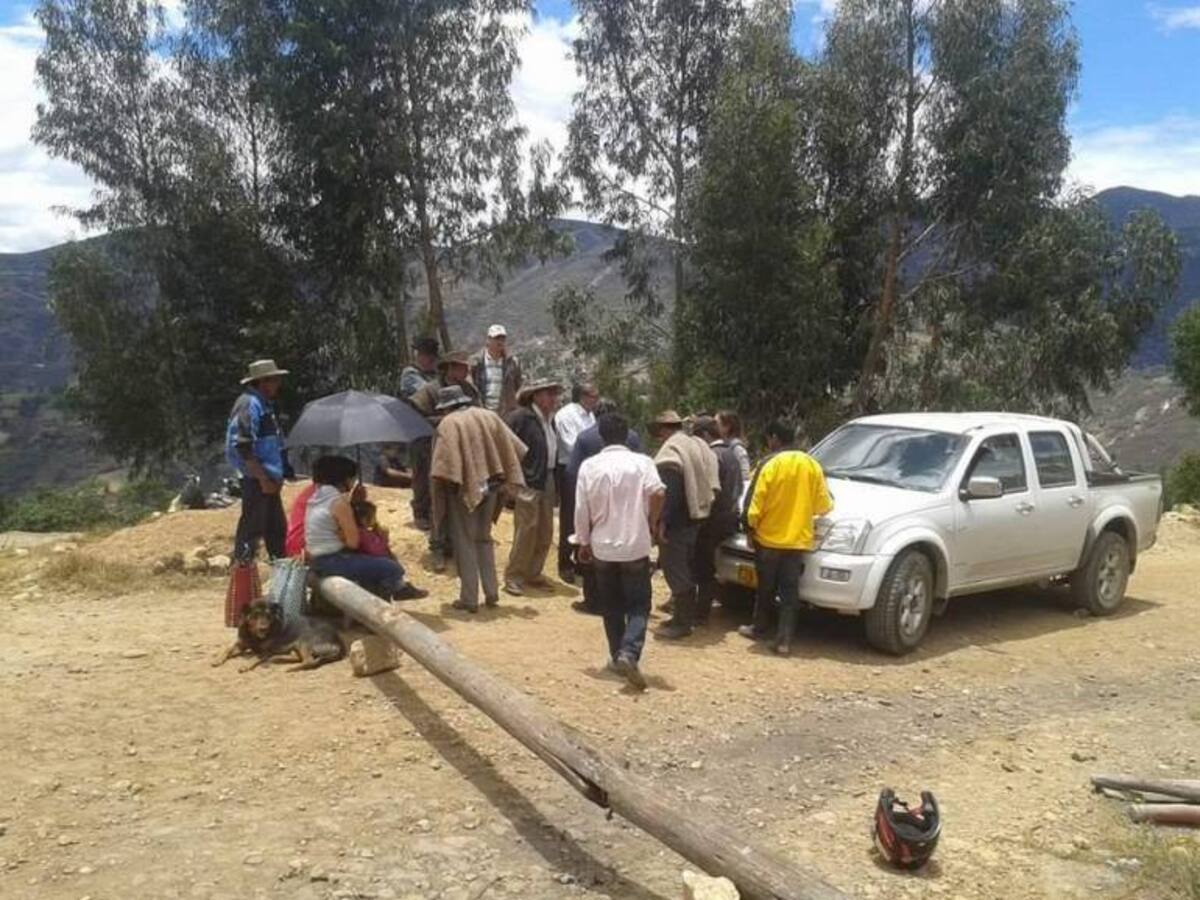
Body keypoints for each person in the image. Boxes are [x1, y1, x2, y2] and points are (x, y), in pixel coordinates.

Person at [575, 413, 666, 691]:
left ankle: (617, 657)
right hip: (635, 543)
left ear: (601, 436)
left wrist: (583, 542)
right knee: (639, 604)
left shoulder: (590, 466)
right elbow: (659, 492)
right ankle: (629, 652)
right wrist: (652, 522)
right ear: (627, 435)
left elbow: (581, 509)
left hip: (603, 545)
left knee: (611, 605)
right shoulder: (643, 462)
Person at [738, 420, 834, 656]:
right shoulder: (812, 465)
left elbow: (753, 503)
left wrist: (749, 530)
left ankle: (759, 628)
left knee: (766, 589)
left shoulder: (769, 464)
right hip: (797, 542)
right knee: (790, 593)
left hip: (768, 541)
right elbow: (824, 505)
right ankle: (784, 641)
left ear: (773, 438)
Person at [430, 386, 528, 612]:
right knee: (484, 539)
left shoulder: (448, 424)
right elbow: (515, 448)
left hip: (464, 490)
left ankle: (469, 598)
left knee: (464, 541)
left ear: (446, 407)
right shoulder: (488, 415)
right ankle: (492, 592)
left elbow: (443, 467)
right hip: (493, 487)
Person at [305, 455, 428, 600]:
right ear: (343, 479)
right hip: (333, 561)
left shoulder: (315, 499)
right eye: (352, 478)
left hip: (316, 559)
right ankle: (395, 590)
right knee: (392, 567)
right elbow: (353, 542)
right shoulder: (338, 502)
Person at [565, 400, 643, 615]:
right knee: (625, 550)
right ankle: (623, 599)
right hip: (629, 505)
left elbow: (572, 473)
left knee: (592, 551)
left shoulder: (584, 437)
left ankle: (594, 601)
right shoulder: (633, 437)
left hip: (594, 502)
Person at [651, 410, 720, 641]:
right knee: (685, 567)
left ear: (664, 429)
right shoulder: (695, 444)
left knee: (675, 569)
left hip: (678, 521)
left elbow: (670, 490)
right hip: (696, 516)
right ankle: (683, 618)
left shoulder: (672, 450)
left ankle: (682, 623)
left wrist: (662, 521)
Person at [410, 351, 482, 557]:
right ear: (449, 368)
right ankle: (437, 547)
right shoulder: (430, 390)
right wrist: (445, 420)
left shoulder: (469, 389)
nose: (465, 371)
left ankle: (455, 542)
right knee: (436, 499)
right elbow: (416, 415)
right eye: (461, 367)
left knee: (459, 499)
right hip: (434, 448)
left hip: (462, 451)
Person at [677, 416, 744, 630]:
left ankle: (700, 612)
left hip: (710, 521)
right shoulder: (731, 455)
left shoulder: (713, 456)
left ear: (705, 435)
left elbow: (708, 491)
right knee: (708, 566)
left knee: (701, 567)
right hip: (727, 518)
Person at [226, 359, 290, 563]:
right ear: (262, 382)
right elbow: (243, 445)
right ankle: (242, 576)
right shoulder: (249, 404)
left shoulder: (265, 405)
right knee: (251, 530)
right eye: (274, 380)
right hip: (257, 479)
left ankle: (281, 581)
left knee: (276, 530)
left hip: (269, 479)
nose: (278, 384)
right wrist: (262, 479)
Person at [503, 380, 563, 595]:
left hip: (547, 478)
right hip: (528, 480)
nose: (554, 398)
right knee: (526, 530)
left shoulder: (549, 420)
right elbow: (505, 443)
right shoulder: (521, 417)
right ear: (536, 396)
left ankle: (533, 573)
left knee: (545, 530)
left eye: (554, 394)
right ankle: (514, 576)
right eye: (549, 394)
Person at [554, 382, 600, 583]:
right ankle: (565, 563)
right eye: (593, 395)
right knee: (569, 516)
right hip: (571, 470)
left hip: (590, 470)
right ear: (582, 396)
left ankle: (582, 561)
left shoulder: (590, 415)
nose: (596, 399)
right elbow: (573, 446)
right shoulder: (566, 415)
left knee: (586, 516)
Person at [471, 324, 523, 416]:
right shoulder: (476, 362)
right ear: (488, 340)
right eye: (496, 338)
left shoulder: (512, 362)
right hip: (484, 413)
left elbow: (519, 385)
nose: (500, 342)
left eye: (502, 339)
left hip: (507, 413)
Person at [716, 410, 752, 482]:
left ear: (727, 427)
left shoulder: (737, 448)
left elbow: (745, 475)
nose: (713, 427)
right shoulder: (723, 445)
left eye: (716, 424)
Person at [400, 337, 440, 401]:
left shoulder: (433, 373)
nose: (433, 362)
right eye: (430, 359)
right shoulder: (409, 373)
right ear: (419, 356)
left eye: (433, 359)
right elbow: (428, 391)